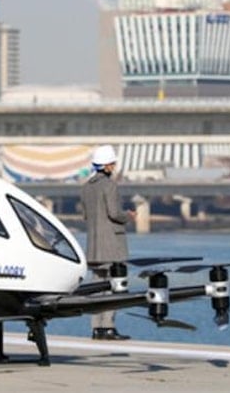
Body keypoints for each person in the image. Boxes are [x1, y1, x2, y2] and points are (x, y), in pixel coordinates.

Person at [81, 144, 136, 341]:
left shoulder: (86, 187)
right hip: (112, 244)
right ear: (106, 166)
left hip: (94, 245)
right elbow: (114, 213)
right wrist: (128, 216)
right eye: (112, 163)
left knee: (97, 288)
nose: (114, 167)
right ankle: (109, 327)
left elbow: (86, 216)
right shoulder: (110, 185)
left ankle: (97, 328)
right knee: (115, 285)